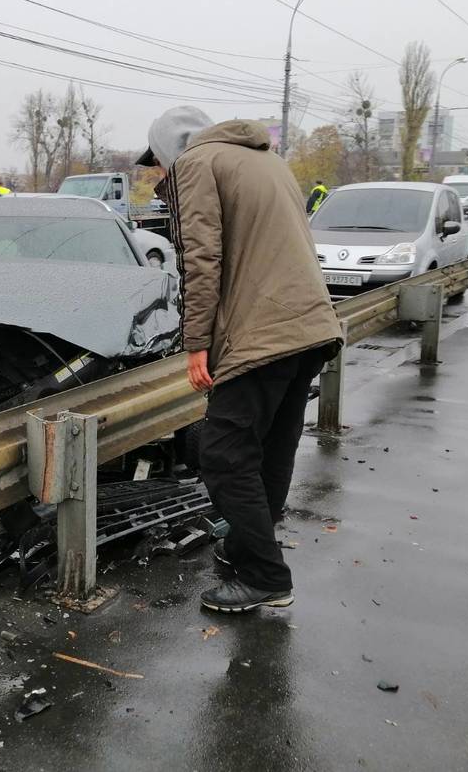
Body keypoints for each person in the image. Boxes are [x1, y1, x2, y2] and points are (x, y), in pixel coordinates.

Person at [136, 105, 343, 613]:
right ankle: (252, 548)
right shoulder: (264, 159)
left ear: (171, 152)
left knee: (225, 454)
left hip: (264, 333)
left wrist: (196, 344)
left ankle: (264, 576)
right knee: (271, 447)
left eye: (158, 165)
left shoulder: (196, 165)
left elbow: (200, 259)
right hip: (310, 326)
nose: (158, 175)